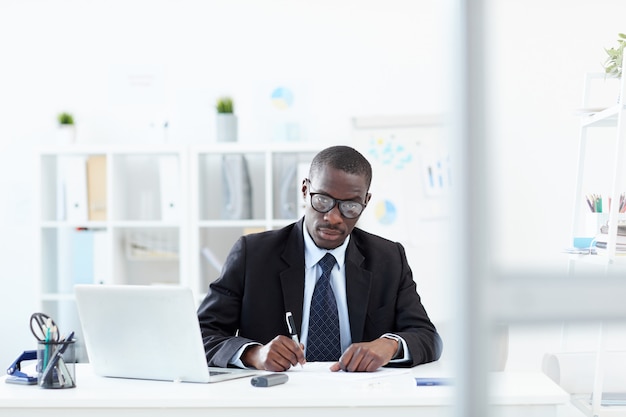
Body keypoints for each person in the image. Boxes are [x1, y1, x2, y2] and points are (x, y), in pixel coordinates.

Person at [197, 145, 442, 372]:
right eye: (322, 201)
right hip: (277, 398)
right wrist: (254, 354)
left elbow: (426, 336)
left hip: (359, 400)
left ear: (366, 202)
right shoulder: (253, 254)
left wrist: (390, 345)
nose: (333, 217)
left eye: (350, 207)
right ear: (305, 190)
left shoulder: (388, 258)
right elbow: (200, 334)